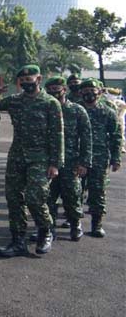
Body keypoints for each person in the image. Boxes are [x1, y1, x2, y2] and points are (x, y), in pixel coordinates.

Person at [0, 65, 63, 257]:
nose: (27, 83)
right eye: (23, 80)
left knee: (35, 197)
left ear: (39, 79)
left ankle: (46, 230)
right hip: (17, 156)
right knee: (13, 198)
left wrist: (55, 164)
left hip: (40, 158)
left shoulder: (50, 103)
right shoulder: (15, 101)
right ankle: (18, 241)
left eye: (31, 79)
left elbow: (58, 134)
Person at [39, 77, 91, 241]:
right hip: (47, 160)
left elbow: (86, 138)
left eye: (57, 88)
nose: (54, 91)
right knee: (48, 196)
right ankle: (49, 228)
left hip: (71, 161)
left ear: (64, 90)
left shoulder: (77, 110)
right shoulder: (42, 110)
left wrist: (84, 162)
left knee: (72, 195)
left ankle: (75, 225)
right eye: (50, 88)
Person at [78, 79, 122, 238]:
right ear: (80, 92)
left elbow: (116, 135)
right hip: (77, 157)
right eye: (86, 90)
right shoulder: (75, 109)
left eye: (93, 89)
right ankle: (74, 222)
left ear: (99, 92)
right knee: (75, 190)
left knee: (98, 191)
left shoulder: (107, 112)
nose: (89, 93)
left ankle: (97, 224)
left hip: (100, 157)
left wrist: (116, 157)